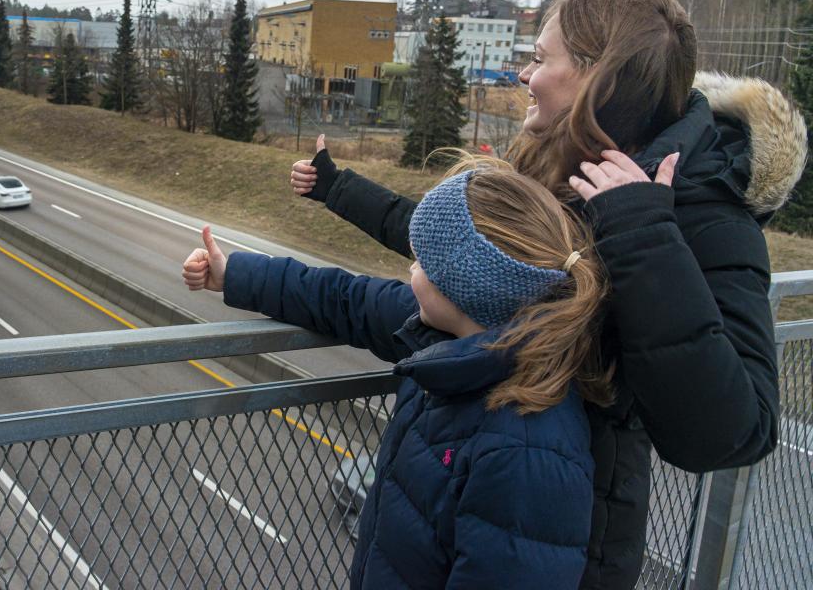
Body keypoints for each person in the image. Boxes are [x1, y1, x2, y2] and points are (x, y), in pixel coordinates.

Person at [289, 0, 807, 587]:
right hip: (465, 485)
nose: (524, 75)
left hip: (572, 545)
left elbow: (731, 434)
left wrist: (641, 232)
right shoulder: (550, 160)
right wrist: (337, 188)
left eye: (539, 57)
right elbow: (453, 247)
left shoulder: (707, 214)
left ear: (596, 78)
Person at [182, 158, 630, 588]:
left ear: (461, 287)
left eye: (421, 261)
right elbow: (345, 298)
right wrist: (234, 274)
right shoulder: (460, 339)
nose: (410, 268)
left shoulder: (526, 453)